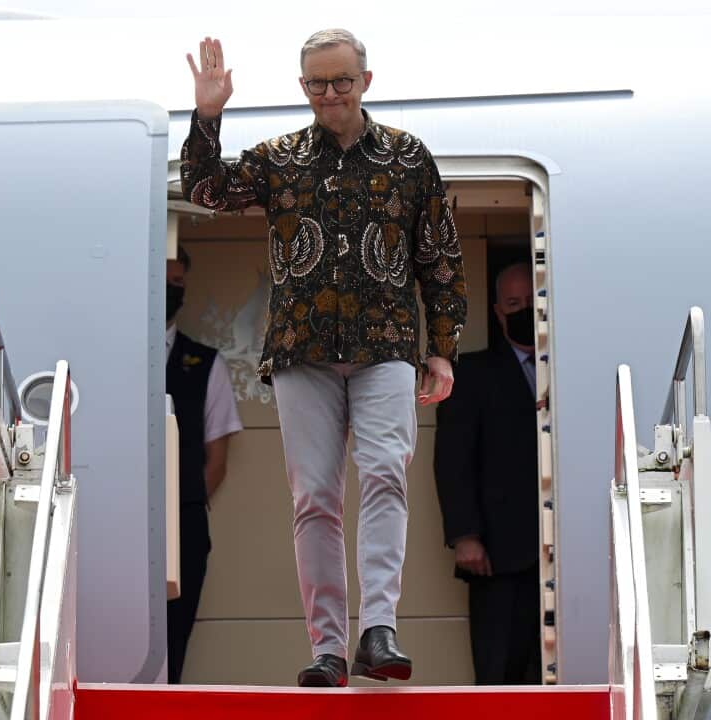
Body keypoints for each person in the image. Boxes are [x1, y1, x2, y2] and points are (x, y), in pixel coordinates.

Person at [181, 29, 467, 687]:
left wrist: (443, 351)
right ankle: (330, 647)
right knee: (314, 496)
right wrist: (208, 115)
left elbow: (440, 258)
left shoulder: (406, 156)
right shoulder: (281, 157)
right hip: (301, 351)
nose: (330, 93)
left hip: (387, 346)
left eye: (341, 81)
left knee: (387, 477)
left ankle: (379, 629)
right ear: (302, 87)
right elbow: (206, 189)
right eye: (317, 83)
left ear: (366, 80)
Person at [433, 262, 541, 685]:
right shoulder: (472, 374)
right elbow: (452, 459)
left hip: (563, 554)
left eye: (532, 302)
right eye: (514, 303)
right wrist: (465, 536)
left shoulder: (570, 370)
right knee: (500, 671)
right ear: (498, 312)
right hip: (495, 554)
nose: (524, 310)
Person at [165, 244, 244, 684]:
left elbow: (217, 460)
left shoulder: (206, 362)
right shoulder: (119, 357)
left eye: (179, 284)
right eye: (165, 282)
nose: (172, 292)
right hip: (119, 523)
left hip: (186, 526)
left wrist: (181, 508)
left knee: (175, 643)